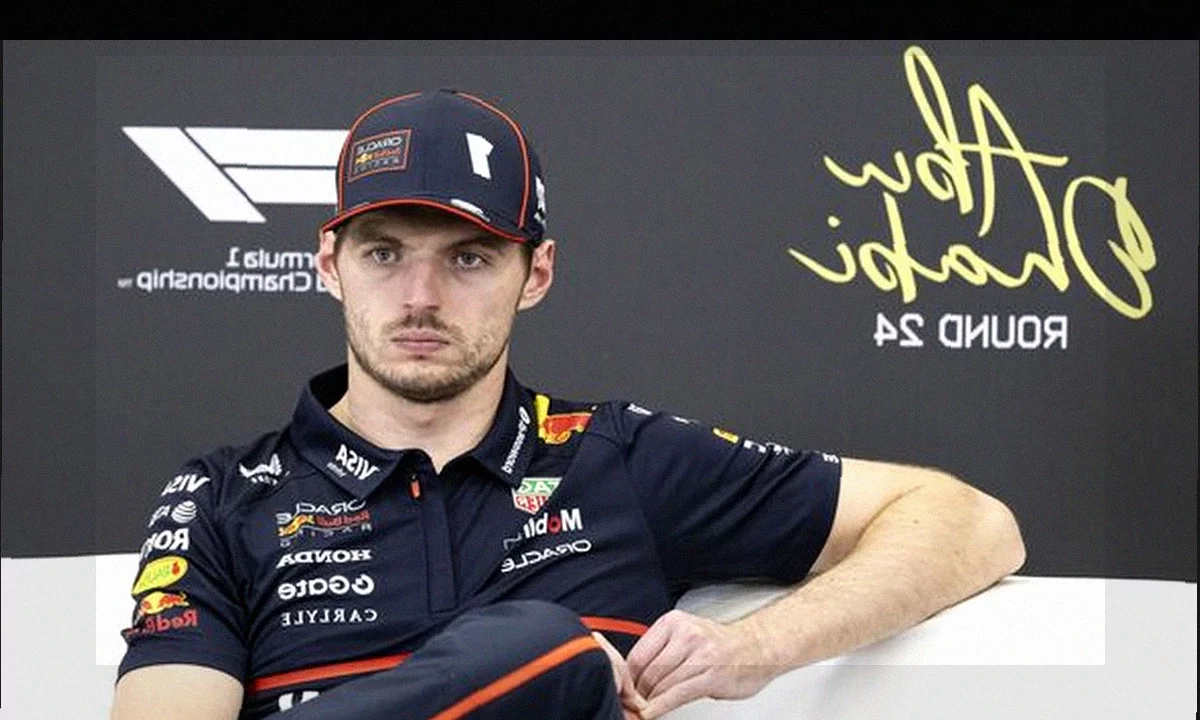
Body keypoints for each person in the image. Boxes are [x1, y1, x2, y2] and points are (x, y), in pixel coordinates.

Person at [109, 89, 1026, 720]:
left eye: (469, 258)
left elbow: (972, 524)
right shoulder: (225, 497)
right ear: (329, 264)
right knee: (546, 652)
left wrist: (754, 648)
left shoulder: (615, 455)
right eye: (385, 253)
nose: (421, 297)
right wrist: (542, 670)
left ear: (536, 272)